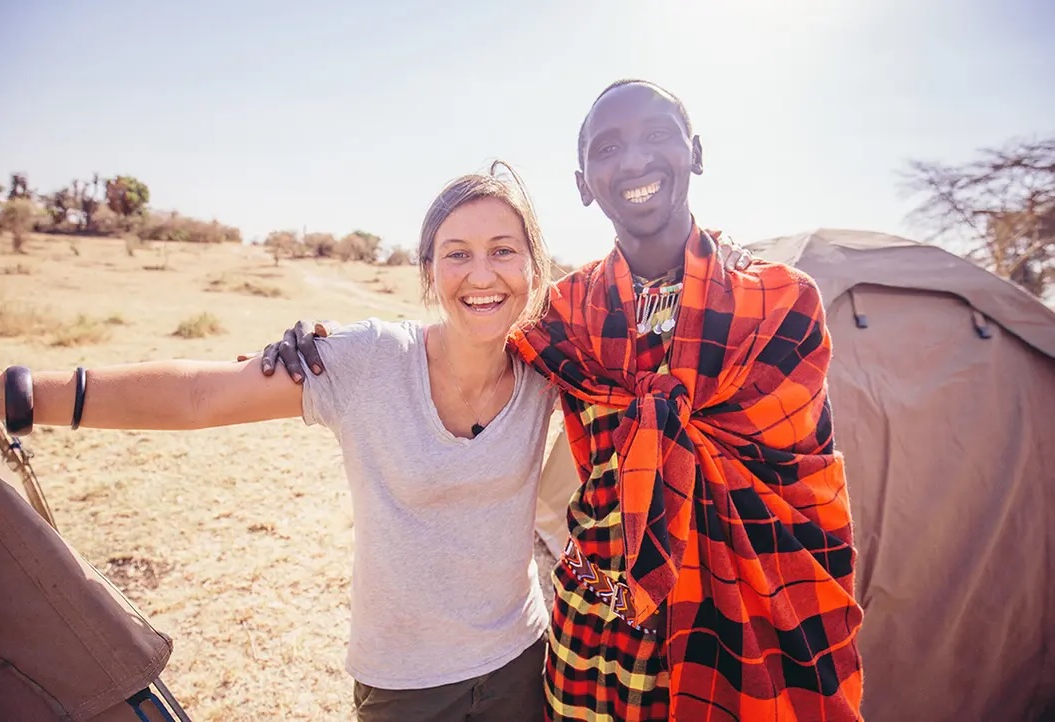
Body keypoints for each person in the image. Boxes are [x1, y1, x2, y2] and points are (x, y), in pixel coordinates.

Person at [266, 80, 864, 721]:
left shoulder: (777, 302)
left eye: (657, 135)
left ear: (695, 152)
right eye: (609, 147)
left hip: (741, 612)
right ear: (584, 183)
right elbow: (469, 336)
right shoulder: (565, 314)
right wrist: (338, 347)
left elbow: (805, 494)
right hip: (598, 626)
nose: (634, 160)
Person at [0, 164, 559, 722]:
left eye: (503, 250)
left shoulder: (551, 368)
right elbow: (198, 397)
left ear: (535, 266)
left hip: (521, 661)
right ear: (429, 269)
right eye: (458, 253)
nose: (482, 274)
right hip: (405, 681)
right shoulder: (369, 360)